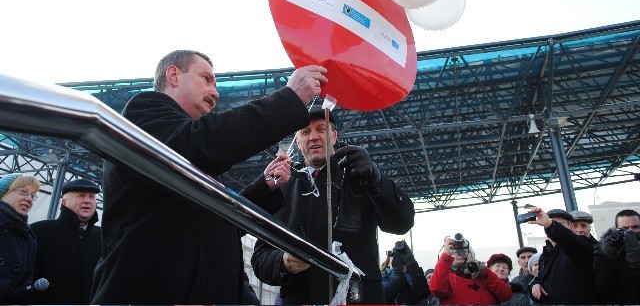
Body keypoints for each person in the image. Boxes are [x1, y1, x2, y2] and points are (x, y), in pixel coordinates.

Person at [91, 49, 327, 304]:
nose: (216, 92)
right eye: (206, 79)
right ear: (173, 75)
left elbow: (217, 221)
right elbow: (206, 143)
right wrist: (288, 100)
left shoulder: (186, 145)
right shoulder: (144, 112)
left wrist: (264, 188)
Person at [251, 105, 415, 304]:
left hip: (359, 298)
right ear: (299, 141)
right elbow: (260, 259)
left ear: (334, 136)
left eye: (321, 129)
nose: (313, 137)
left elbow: (402, 223)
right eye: (305, 132)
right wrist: (283, 261)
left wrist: (378, 181)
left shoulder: (361, 176)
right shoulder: (282, 187)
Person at [31, 179, 102, 304]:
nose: (87, 200)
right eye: (81, 195)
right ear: (64, 202)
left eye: (92, 197)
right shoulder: (39, 231)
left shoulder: (104, 237)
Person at [527, 208, 595, 305]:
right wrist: (535, 285)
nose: (549, 225)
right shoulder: (545, 255)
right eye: (549, 223)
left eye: (559, 223)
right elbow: (540, 279)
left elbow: (573, 243)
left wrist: (551, 225)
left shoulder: (577, 246)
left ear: (571, 227)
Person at [429, 235, 512, 305]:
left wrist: (484, 271)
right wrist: (446, 255)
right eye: (455, 252)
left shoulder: (483, 275)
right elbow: (437, 289)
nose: (460, 255)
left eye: (463, 252)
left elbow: (506, 295)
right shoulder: (446, 277)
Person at [0, 173, 41, 304]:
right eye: (23, 192)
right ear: (3, 194)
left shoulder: (28, 236)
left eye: (32, 195)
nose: (29, 199)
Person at [594, 209, 640, 304]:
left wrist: (636, 261)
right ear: (616, 229)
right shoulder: (607, 251)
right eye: (625, 229)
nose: (630, 232)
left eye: (635, 227)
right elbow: (601, 288)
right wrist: (608, 258)